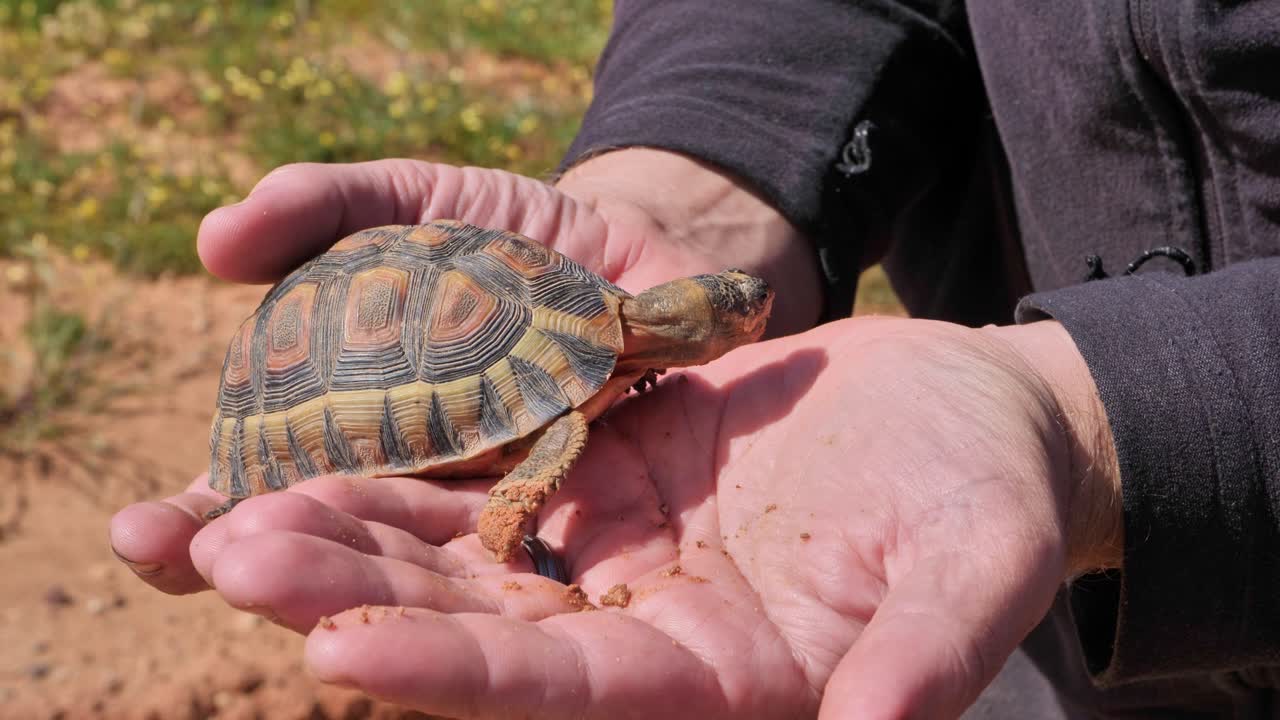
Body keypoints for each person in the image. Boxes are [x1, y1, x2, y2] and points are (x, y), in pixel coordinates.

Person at [109, 2, 1280, 718]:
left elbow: (561, 414)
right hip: (1050, 660)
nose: (743, 314)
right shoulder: (594, 362)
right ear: (672, 324)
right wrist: (710, 169)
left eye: (730, 307)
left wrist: (1116, 412)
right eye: (724, 302)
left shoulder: (597, 371)